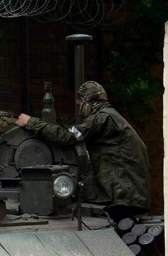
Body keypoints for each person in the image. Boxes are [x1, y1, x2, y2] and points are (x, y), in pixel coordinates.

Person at [18, 80, 149, 221]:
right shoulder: (111, 116)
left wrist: (31, 122)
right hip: (128, 193)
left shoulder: (102, 118)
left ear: (88, 101)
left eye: (79, 105)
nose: (80, 111)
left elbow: (68, 137)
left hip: (122, 196)